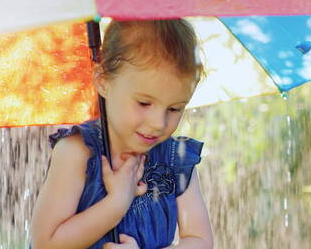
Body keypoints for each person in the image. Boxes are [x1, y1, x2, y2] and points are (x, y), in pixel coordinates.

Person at [30, 19, 213, 249]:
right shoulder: (78, 152)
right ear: (103, 81)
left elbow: (200, 240)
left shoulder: (175, 160)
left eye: (175, 108)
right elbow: (45, 243)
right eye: (144, 103)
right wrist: (116, 204)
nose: (158, 123)